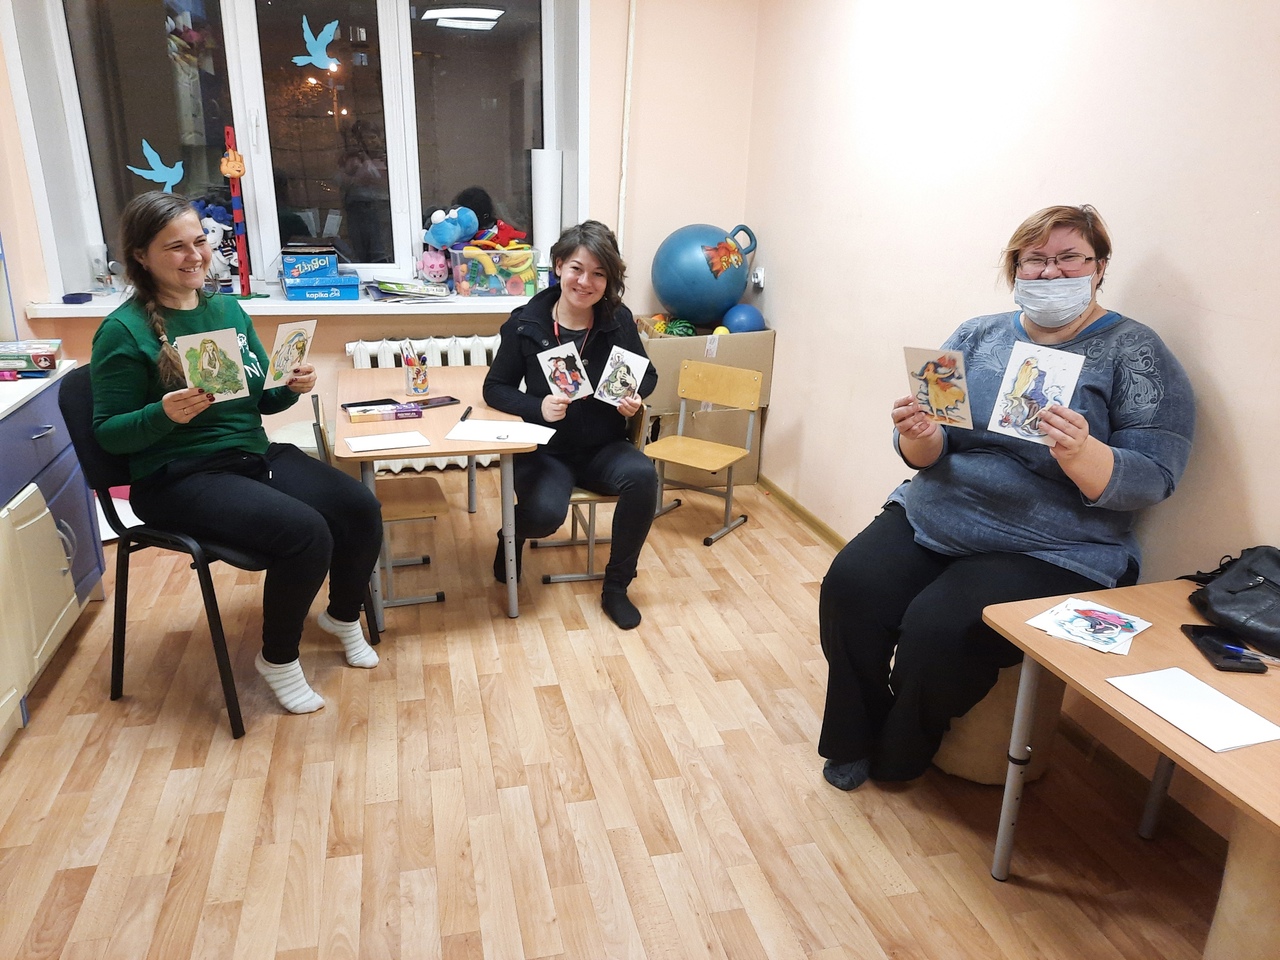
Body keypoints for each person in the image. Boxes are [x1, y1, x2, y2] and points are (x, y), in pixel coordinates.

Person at [818, 204, 1196, 790]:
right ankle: (853, 734)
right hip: (938, 511)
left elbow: (1155, 475)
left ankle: (902, 746)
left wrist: (1081, 454)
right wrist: (919, 434)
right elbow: (927, 449)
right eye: (1034, 259)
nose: (1050, 272)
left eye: (1069, 258)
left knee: (939, 629)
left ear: (1099, 267)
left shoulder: (1136, 351)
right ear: (1014, 268)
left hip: (1051, 543)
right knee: (851, 588)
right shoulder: (977, 334)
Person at [91, 191, 384, 715]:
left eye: (199, 241)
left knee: (359, 506)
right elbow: (108, 435)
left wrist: (289, 386)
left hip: (249, 455)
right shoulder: (122, 331)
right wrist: (163, 414)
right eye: (175, 247)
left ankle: (341, 617)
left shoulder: (226, 308)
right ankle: (278, 659)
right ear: (141, 256)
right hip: (176, 476)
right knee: (306, 532)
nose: (195, 256)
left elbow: (261, 401)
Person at [483, 220, 658, 629]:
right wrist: (538, 407)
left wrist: (633, 398)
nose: (585, 282)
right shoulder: (526, 323)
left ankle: (616, 587)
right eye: (577, 268)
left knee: (643, 477)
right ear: (559, 266)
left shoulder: (618, 319)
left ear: (608, 281)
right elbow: (495, 388)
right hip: (545, 450)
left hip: (603, 447)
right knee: (545, 516)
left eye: (599, 274)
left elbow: (646, 375)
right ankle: (511, 534)